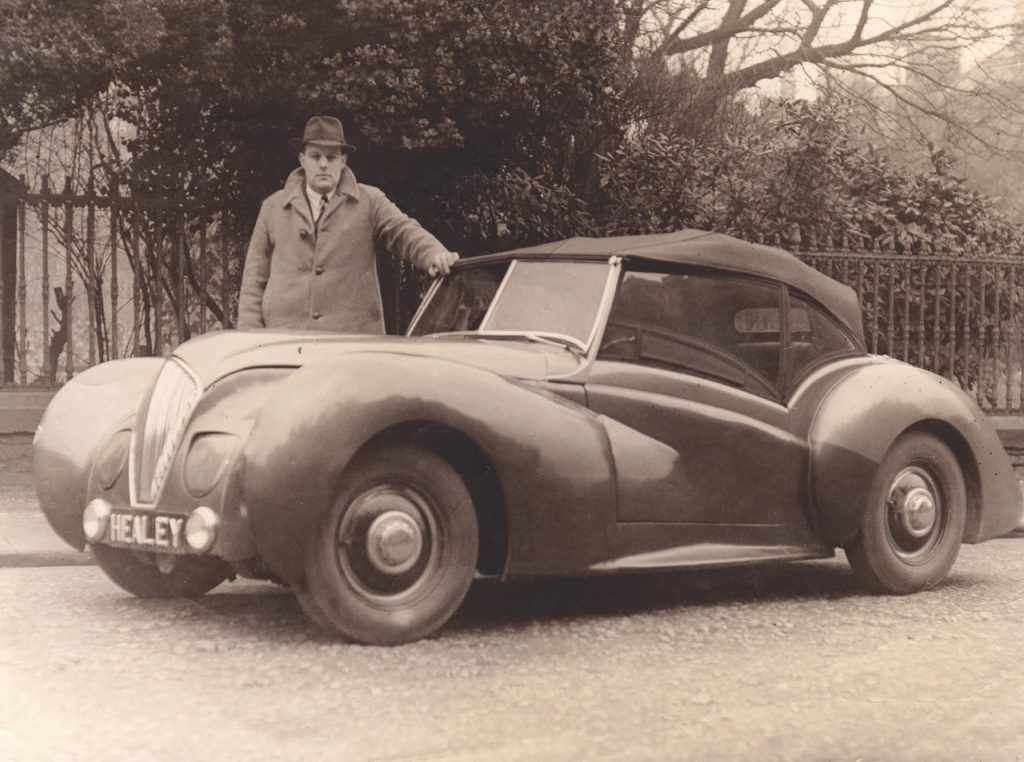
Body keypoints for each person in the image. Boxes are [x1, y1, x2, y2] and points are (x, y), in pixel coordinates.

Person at [237, 115, 459, 333]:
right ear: (302, 160)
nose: (323, 164)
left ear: (343, 161)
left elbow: (404, 231)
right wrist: (249, 338)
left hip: (351, 343)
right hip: (285, 342)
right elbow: (253, 281)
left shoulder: (370, 201)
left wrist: (434, 254)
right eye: (315, 156)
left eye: (332, 157)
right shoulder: (273, 207)